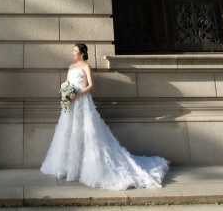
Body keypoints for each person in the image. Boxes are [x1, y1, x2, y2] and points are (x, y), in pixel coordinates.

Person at [40, 43, 169, 190]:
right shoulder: (70, 67)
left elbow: (90, 85)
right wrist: (66, 94)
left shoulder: (86, 66)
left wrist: (76, 95)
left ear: (82, 53)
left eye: (75, 51)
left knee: (89, 132)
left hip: (82, 102)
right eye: (73, 50)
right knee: (69, 131)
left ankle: (90, 167)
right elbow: (67, 83)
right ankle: (68, 167)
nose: (73, 53)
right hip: (71, 104)